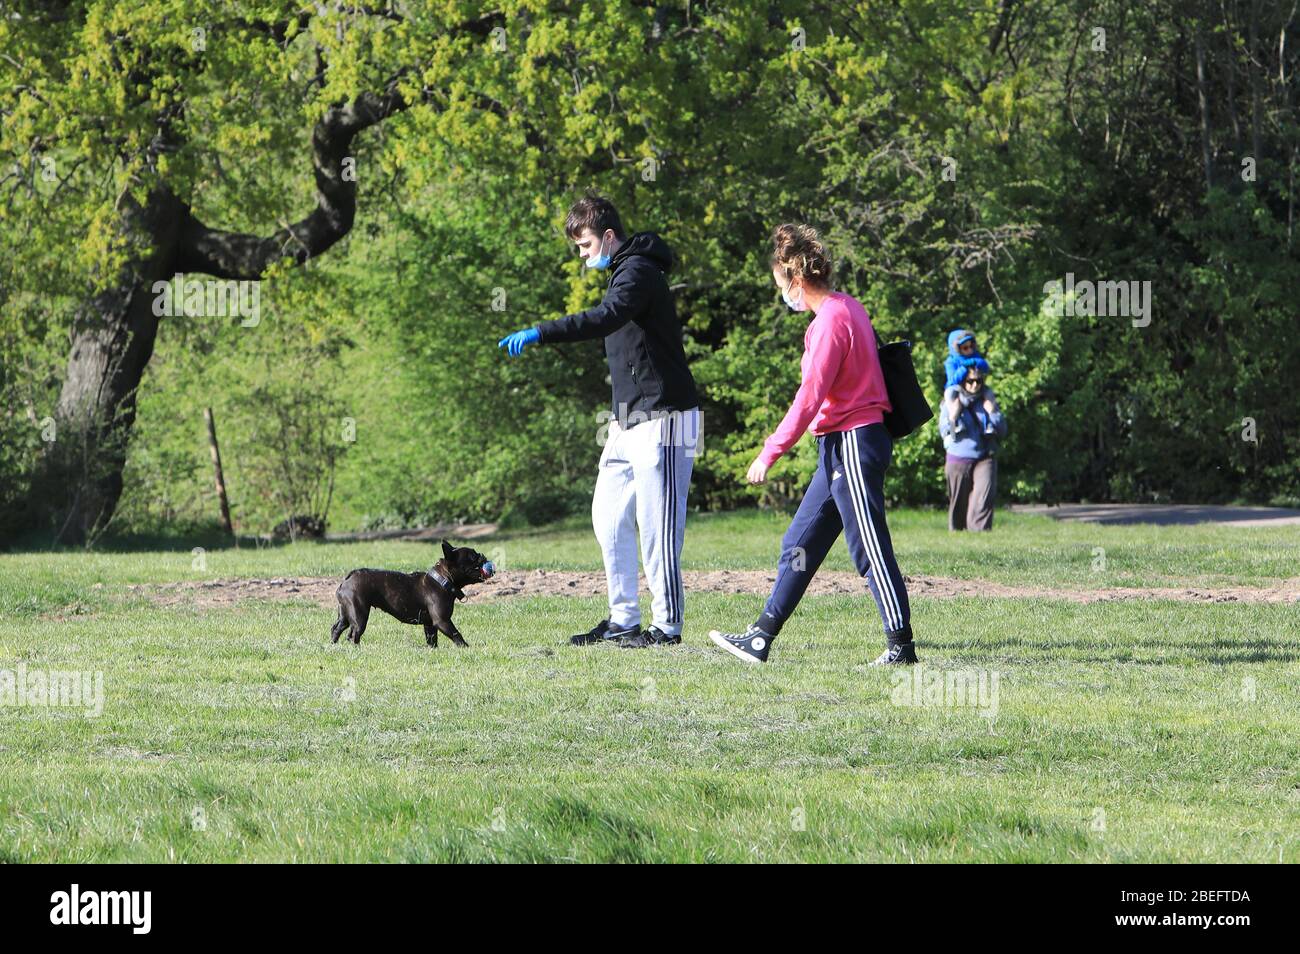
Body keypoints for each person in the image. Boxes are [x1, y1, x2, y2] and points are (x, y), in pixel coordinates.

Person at [707, 224, 916, 666]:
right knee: (799, 543)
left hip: (856, 442)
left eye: (782, 286)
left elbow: (810, 397)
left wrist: (770, 451)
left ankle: (901, 647)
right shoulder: (847, 307)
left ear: (797, 281)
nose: (783, 295)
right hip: (837, 448)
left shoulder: (831, 322)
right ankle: (761, 637)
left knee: (869, 548)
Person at [498, 194, 700, 648]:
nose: (583, 254)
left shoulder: (639, 273)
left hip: (667, 417)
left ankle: (666, 628)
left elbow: (605, 318)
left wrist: (541, 332)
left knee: (657, 527)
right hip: (628, 420)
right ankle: (623, 619)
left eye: (586, 244)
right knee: (607, 516)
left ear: (608, 236)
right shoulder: (622, 273)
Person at [939, 362, 1007, 531]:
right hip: (958, 458)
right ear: (962, 382)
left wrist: (992, 412)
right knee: (958, 506)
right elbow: (947, 434)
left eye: (979, 381)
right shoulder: (951, 400)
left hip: (985, 456)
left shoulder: (987, 399)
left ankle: (980, 536)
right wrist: (953, 416)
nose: (975, 385)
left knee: (983, 500)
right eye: (970, 381)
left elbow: (1002, 431)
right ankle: (958, 537)